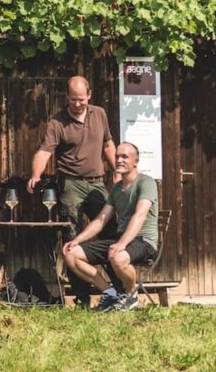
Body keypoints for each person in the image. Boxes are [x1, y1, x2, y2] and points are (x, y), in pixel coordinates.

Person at [60, 142, 159, 311]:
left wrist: (121, 244)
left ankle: (130, 295)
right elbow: (100, 220)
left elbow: (139, 215)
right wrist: (77, 240)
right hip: (121, 239)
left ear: (135, 161)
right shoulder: (116, 189)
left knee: (118, 256)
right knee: (70, 253)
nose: (119, 160)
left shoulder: (146, 182)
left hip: (143, 240)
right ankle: (112, 294)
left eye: (124, 157)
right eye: (117, 156)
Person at [26, 75, 116, 233]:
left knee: (109, 226)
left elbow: (108, 145)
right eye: (73, 99)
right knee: (72, 231)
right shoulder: (57, 122)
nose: (77, 104)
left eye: (81, 99)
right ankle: (72, 257)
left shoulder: (100, 114)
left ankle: (103, 258)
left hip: (97, 182)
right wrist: (35, 175)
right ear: (67, 96)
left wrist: (118, 170)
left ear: (89, 94)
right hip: (71, 183)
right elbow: (45, 152)